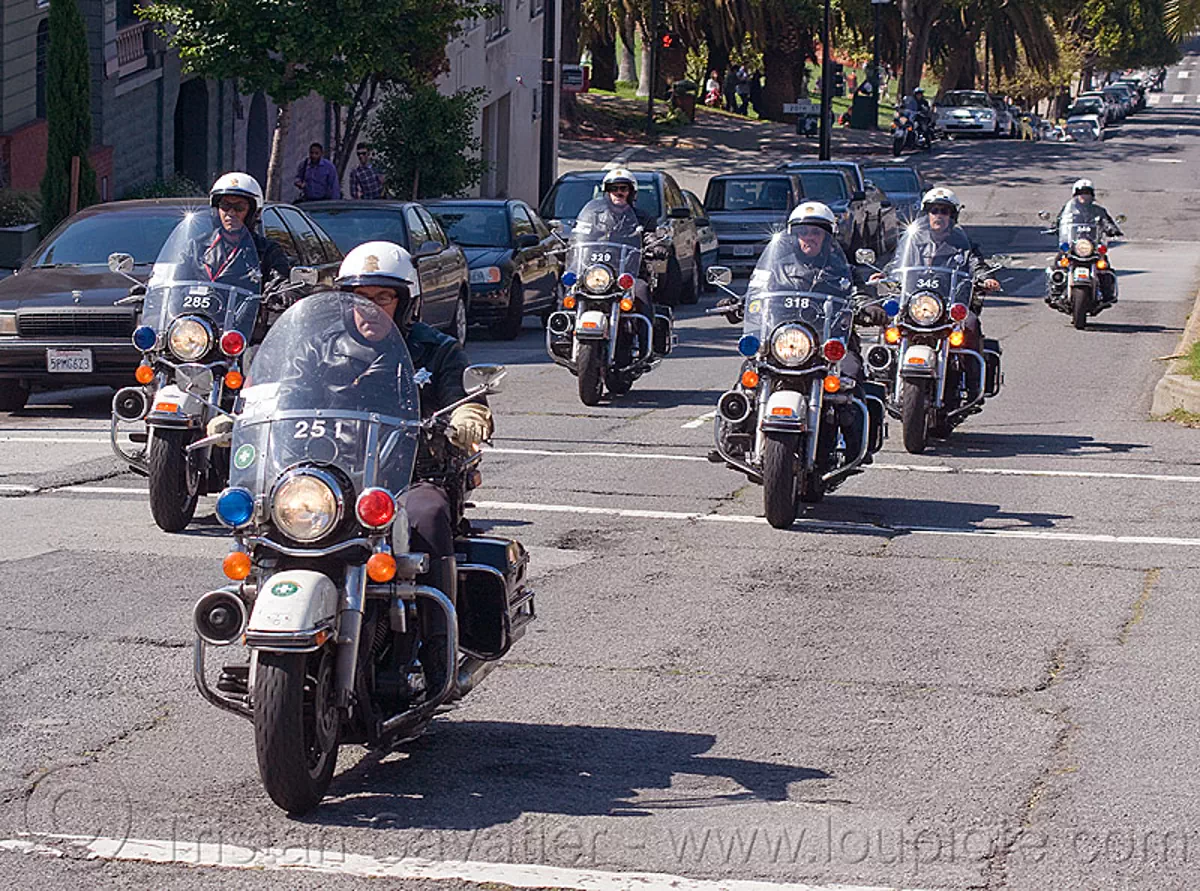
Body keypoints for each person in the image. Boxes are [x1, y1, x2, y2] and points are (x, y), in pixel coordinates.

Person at [335, 240, 493, 691]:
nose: (369, 309)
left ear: (405, 302)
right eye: (359, 298)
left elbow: (468, 400)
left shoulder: (435, 349)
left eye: (382, 297)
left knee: (426, 515)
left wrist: (466, 419)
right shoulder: (325, 346)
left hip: (412, 475)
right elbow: (282, 390)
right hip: (334, 475)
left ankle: (438, 648)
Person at [717, 201, 873, 461]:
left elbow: (860, 293)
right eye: (804, 232)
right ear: (794, 235)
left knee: (851, 372)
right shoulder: (777, 266)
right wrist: (738, 304)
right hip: (783, 340)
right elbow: (756, 293)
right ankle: (733, 431)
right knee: (750, 371)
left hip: (829, 342)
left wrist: (867, 305)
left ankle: (857, 446)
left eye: (815, 233)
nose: (809, 238)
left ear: (826, 236)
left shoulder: (843, 269)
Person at [1055, 178, 1123, 304]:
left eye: (1087, 193)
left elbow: (1107, 221)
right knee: (1059, 261)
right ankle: (1056, 290)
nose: (1084, 196)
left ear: (1091, 195)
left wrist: (1112, 229)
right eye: (1081, 193)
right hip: (1073, 244)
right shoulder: (1068, 210)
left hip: (1092, 245)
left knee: (1104, 266)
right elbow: (1060, 221)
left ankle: (1107, 293)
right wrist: (1055, 228)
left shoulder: (1098, 210)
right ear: (1075, 194)